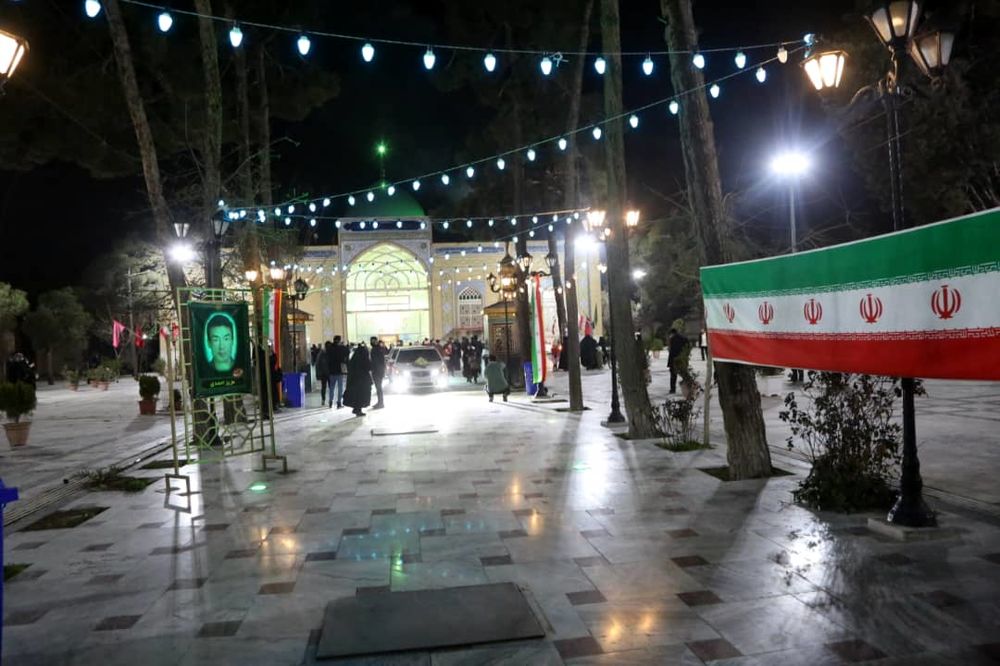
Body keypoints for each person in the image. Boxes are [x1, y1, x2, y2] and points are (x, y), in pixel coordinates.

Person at [343, 343, 373, 417]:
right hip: (363, 380)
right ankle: (358, 409)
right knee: (361, 395)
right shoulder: (364, 358)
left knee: (357, 395)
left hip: (355, 380)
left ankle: (356, 408)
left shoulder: (354, 359)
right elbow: (369, 367)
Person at [328, 336, 349, 408]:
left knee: (332, 387)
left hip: (331, 371)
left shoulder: (330, 348)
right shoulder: (341, 348)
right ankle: (339, 403)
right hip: (339, 371)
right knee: (340, 388)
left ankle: (330, 402)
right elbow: (347, 352)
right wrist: (343, 345)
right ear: (339, 341)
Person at [667, 328, 689, 394]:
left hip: (673, 360)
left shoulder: (672, 339)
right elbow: (688, 347)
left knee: (673, 376)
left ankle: (672, 389)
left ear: (672, 333)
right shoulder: (684, 338)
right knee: (684, 374)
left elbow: (671, 351)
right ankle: (690, 386)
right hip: (681, 359)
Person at [369, 336, 386, 409]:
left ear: (376, 341)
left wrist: (375, 369)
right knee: (378, 387)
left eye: (374, 341)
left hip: (378, 371)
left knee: (379, 387)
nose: (372, 342)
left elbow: (377, 361)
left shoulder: (376, 349)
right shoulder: (377, 349)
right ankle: (380, 402)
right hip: (378, 371)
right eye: (371, 341)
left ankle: (381, 403)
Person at [315, 341, 331, 406]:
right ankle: (323, 399)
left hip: (329, 373)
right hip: (324, 374)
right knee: (324, 387)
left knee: (330, 387)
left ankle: (330, 400)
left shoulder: (329, 353)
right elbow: (317, 364)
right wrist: (318, 373)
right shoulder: (321, 353)